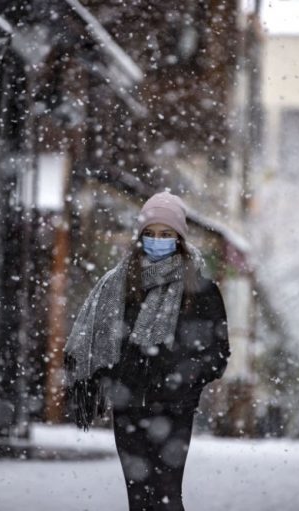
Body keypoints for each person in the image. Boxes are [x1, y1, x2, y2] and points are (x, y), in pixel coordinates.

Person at [64, 191, 230, 511]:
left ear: (179, 239)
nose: (157, 241)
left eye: (166, 234)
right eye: (150, 234)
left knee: (167, 496)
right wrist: (114, 378)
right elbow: (102, 339)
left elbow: (218, 353)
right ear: (139, 237)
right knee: (138, 498)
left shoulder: (202, 291)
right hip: (129, 407)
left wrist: (185, 376)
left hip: (175, 408)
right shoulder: (118, 284)